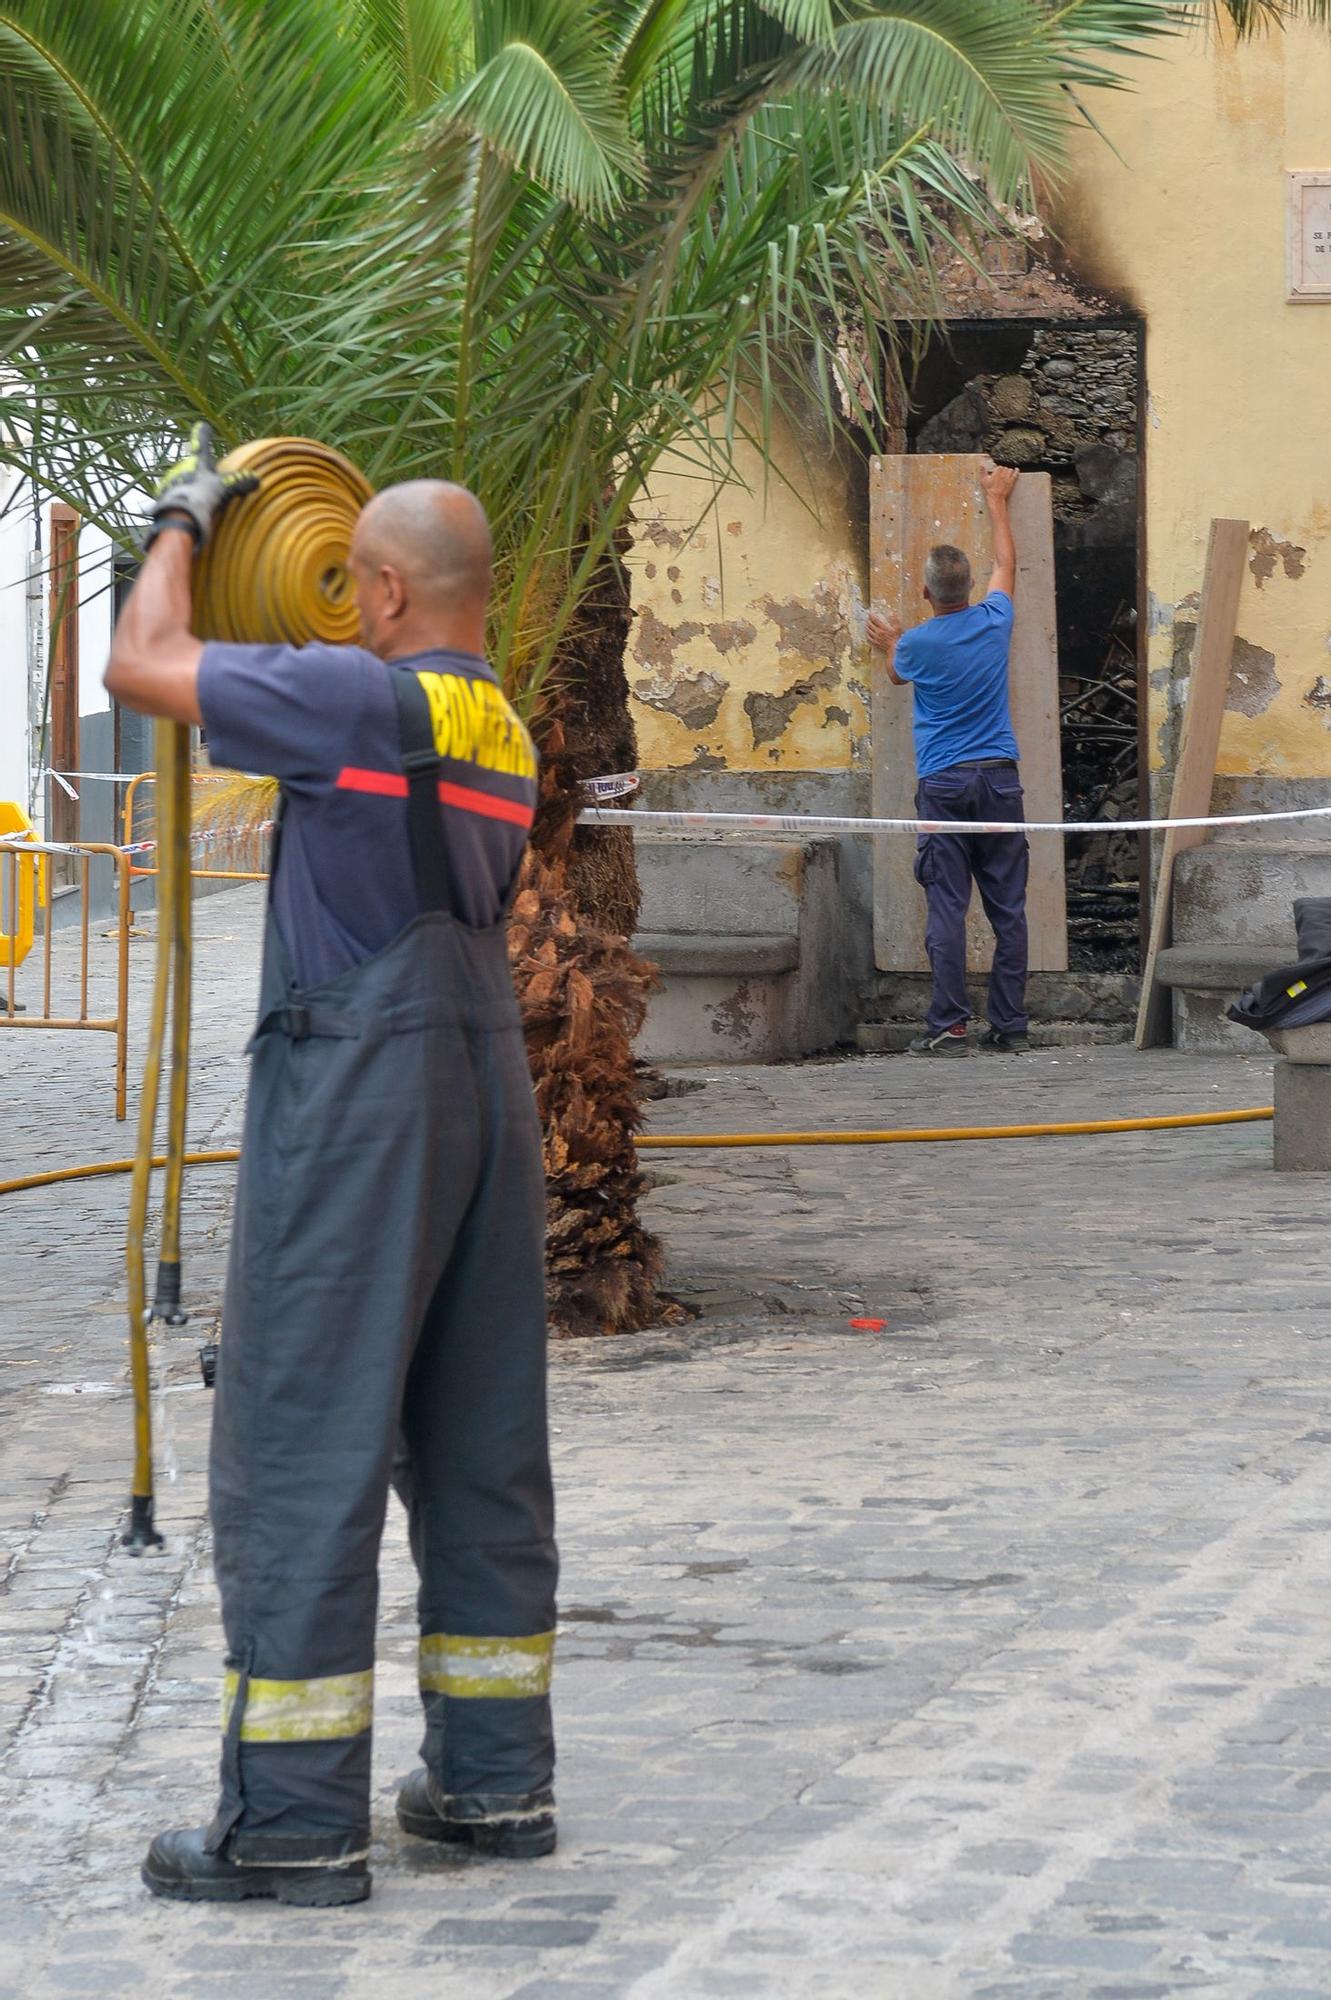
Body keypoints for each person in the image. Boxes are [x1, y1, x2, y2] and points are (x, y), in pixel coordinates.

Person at [105, 426, 558, 1907]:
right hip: (486, 1087)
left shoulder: (358, 700)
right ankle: (494, 1788)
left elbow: (143, 665)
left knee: (300, 1436)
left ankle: (292, 1822)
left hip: (360, 1097)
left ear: (371, 593)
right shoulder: (500, 722)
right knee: (477, 1433)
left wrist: (180, 521)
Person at [867, 460, 1030, 1057]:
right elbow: (1006, 564)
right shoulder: (995, 620)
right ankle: (1010, 1028)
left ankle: (949, 1024)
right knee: (1008, 909)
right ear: (968, 589)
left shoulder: (914, 644)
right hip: (1000, 782)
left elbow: (894, 674)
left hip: (943, 785)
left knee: (947, 906)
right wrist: (997, 498)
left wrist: (889, 640)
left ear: (927, 593)